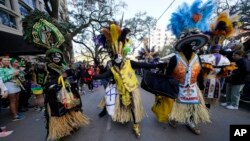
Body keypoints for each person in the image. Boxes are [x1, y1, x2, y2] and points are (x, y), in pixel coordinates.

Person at [23, 19, 89, 140]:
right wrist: (58, 79)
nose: (57, 57)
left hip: (67, 93)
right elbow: (43, 84)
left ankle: (71, 124)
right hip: (54, 95)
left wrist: (70, 74)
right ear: (49, 57)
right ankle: (54, 132)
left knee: (72, 107)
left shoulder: (64, 67)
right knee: (56, 113)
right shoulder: (44, 68)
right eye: (54, 56)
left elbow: (72, 77)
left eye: (58, 55)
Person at [93, 23, 162, 138]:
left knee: (134, 107)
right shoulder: (112, 68)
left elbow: (143, 65)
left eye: (120, 55)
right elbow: (104, 75)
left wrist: (157, 65)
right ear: (113, 57)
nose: (118, 57)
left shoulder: (130, 62)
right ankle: (124, 117)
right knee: (124, 107)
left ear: (123, 53)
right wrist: (92, 77)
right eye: (116, 56)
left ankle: (136, 125)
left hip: (132, 90)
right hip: (121, 92)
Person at [166, 0, 214, 135]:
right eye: (190, 43)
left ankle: (190, 121)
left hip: (193, 88)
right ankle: (174, 117)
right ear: (184, 44)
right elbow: (168, 73)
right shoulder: (174, 58)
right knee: (177, 106)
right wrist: (170, 85)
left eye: (195, 43)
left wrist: (201, 83)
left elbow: (199, 72)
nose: (193, 46)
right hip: (178, 87)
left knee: (193, 107)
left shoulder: (197, 58)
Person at [0, 56, 25, 121]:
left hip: (16, 84)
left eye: (8, 60)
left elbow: (17, 75)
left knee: (17, 100)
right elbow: (2, 79)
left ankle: (17, 113)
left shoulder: (10, 68)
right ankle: (15, 116)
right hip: (9, 85)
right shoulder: (1, 69)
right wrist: (13, 75)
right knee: (13, 101)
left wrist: (19, 73)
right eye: (5, 60)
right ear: (1, 61)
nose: (7, 61)